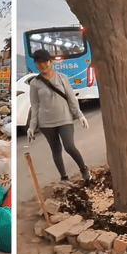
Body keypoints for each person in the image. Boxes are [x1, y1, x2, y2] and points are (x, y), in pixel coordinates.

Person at [27, 49, 91, 181]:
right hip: (46, 123)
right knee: (56, 151)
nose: (43, 65)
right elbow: (35, 106)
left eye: (45, 62)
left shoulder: (62, 78)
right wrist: (32, 126)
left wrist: (80, 115)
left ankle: (84, 169)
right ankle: (64, 177)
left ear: (50, 62)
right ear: (35, 64)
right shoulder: (34, 83)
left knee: (69, 146)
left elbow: (71, 98)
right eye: (39, 63)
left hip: (65, 119)